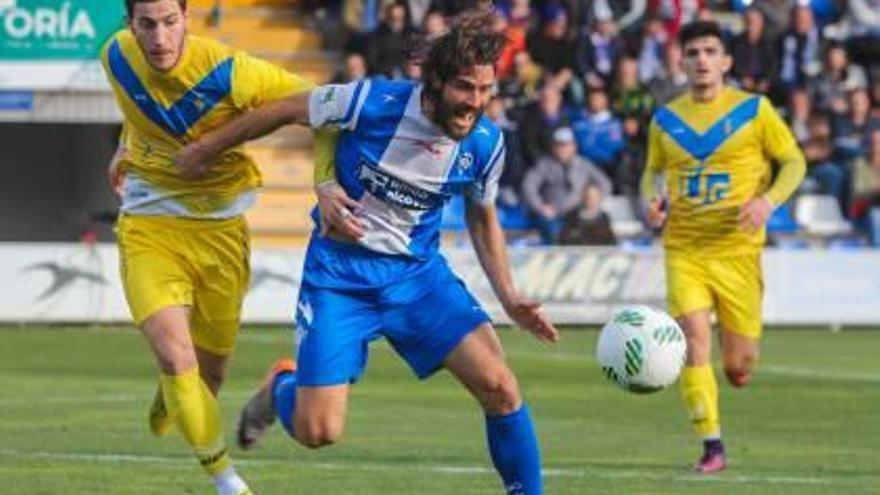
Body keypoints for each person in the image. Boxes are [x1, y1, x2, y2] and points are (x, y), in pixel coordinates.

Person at [176, 11, 559, 494]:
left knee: (501, 387)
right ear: (435, 80)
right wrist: (206, 148)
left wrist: (508, 296)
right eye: (465, 88)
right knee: (319, 431)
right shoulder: (371, 101)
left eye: (486, 90)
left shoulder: (486, 145)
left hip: (418, 279)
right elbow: (283, 110)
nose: (475, 103)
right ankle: (281, 388)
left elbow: (482, 217)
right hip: (340, 277)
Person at [101, 1, 337, 494]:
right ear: (130, 26)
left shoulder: (233, 72)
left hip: (221, 233)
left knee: (208, 377)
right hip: (149, 225)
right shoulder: (116, 56)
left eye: (170, 22)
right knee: (174, 357)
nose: (160, 38)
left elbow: (326, 108)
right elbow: (140, 108)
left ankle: (175, 393)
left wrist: (324, 183)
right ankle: (227, 482)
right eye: (147, 24)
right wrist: (126, 146)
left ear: (188, 18)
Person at [640, 21, 805, 474]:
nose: (701, 60)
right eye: (692, 52)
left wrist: (768, 201)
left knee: (739, 362)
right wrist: (650, 203)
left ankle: (738, 367)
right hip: (685, 250)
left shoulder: (755, 111)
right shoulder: (665, 119)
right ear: (681, 61)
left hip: (738, 252)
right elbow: (651, 173)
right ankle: (712, 445)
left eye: (711, 51)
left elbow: (794, 161)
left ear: (726, 61)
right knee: (693, 341)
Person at [522, 126, 612, 244]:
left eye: (566, 145)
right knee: (551, 230)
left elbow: (605, 184)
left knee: (597, 223)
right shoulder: (544, 165)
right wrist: (540, 206)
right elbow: (528, 185)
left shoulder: (584, 164)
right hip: (554, 215)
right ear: (554, 147)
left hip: (578, 214)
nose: (563, 149)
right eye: (560, 145)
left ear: (573, 146)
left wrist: (593, 200)